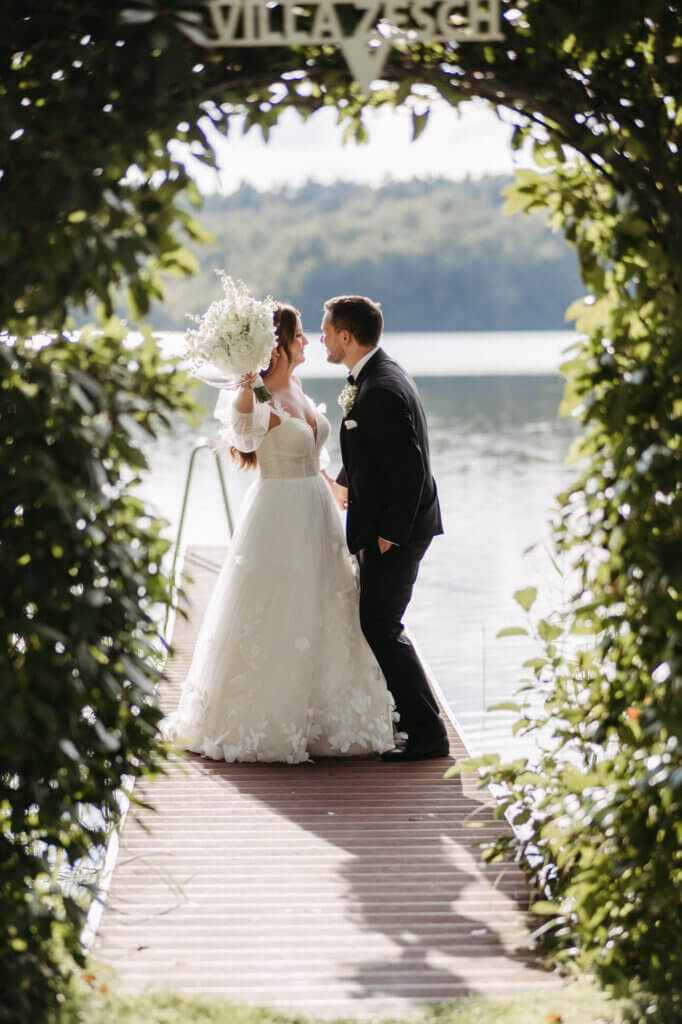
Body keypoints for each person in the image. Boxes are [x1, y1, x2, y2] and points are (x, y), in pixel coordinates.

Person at [162, 304, 396, 763]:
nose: (307, 340)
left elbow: (314, 453)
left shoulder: (298, 388)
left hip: (318, 509)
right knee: (281, 604)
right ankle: (269, 717)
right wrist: (245, 387)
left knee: (325, 603)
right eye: (300, 334)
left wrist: (337, 488)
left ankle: (325, 716)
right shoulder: (260, 396)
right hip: (280, 511)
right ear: (279, 344)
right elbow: (245, 437)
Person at [320, 295, 450, 762]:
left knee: (381, 625)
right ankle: (413, 720)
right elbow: (375, 451)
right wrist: (341, 482)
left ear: (346, 336)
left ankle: (429, 734)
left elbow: (411, 470)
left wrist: (388, 535)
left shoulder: (381, 389)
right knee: (380, 623)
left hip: (399, 532)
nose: (322, 340)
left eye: (326, 332)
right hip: (398, 525)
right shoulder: (378, 375)